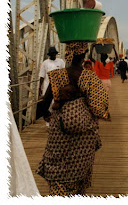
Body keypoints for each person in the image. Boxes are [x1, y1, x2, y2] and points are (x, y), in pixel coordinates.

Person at [36, 41, 110, 196]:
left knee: (56, 160)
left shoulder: (57, 75)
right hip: (84, 131)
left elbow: (45, 102)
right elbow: (99, 106)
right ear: (84, 57)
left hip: (59, 128)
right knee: (80, 165)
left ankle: (59, 193)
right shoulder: (89, 76)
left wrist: (48, 115)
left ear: (68, 55)